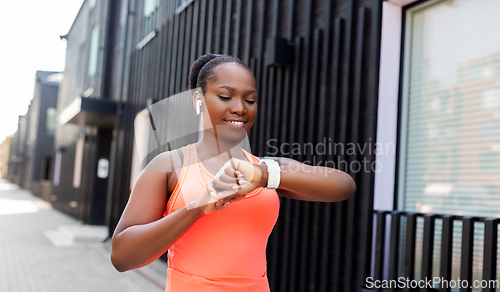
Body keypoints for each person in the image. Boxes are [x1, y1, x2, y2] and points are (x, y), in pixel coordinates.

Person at [110, 53, 357, 291]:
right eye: (226, 97)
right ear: (198, 100)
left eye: (250, 100)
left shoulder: (266, 168)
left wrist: (262, 175)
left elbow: (344, 185)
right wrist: (197, 208)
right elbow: (122, 257)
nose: (240, 108)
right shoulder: (169, 166)